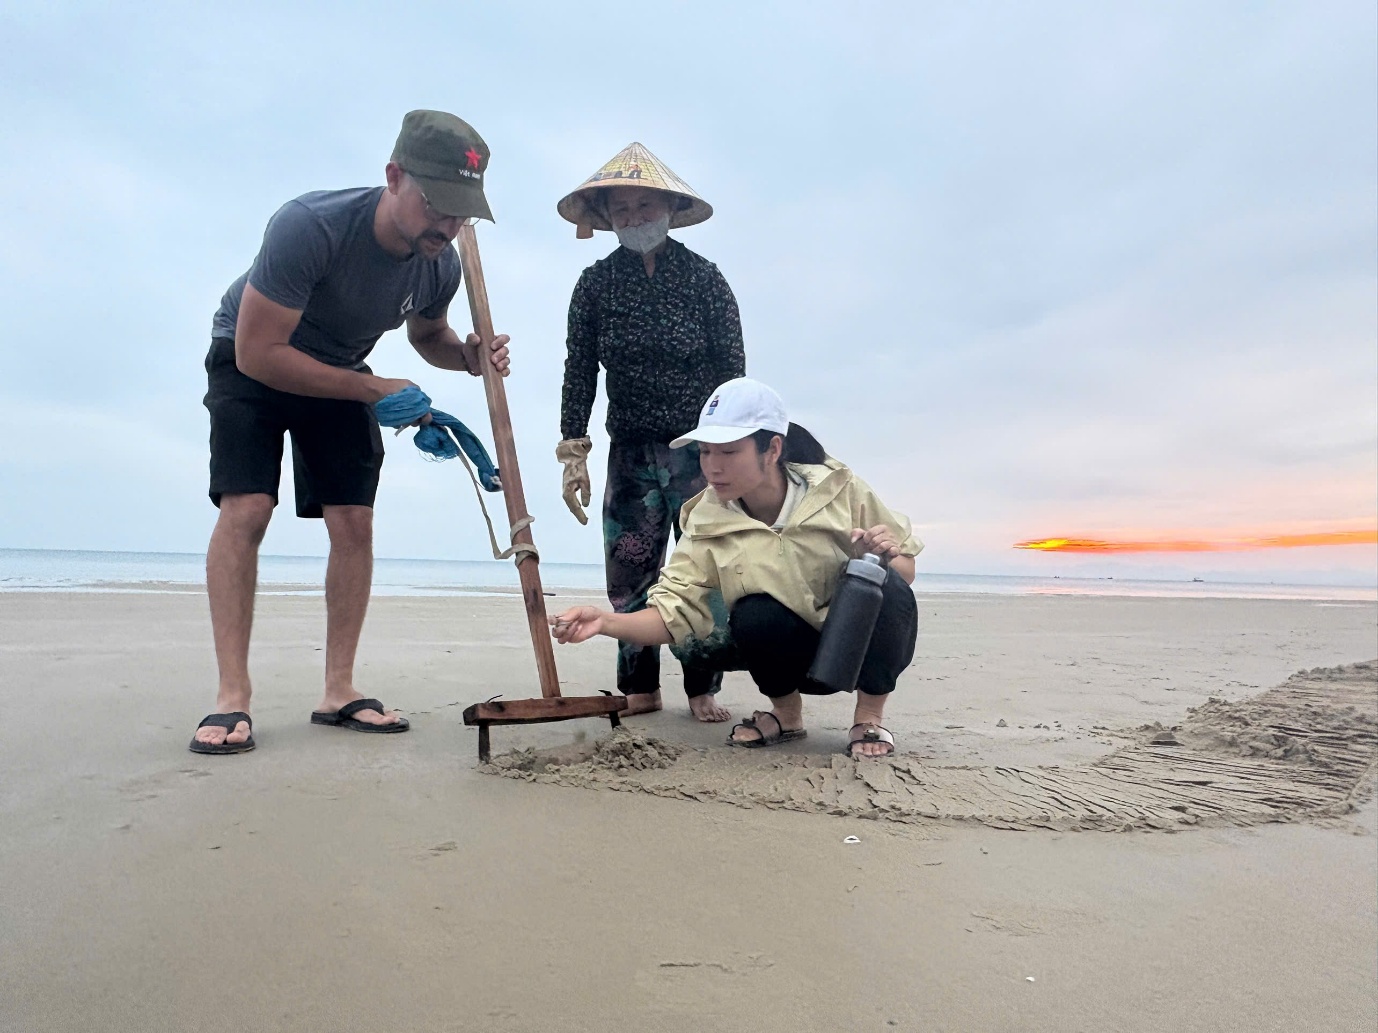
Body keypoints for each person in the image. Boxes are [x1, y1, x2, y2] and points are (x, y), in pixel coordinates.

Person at [190, 110, 511, 755]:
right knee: (248, 507)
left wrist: (468, 356)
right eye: (436, 205)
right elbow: (259, 353)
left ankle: (338, 690)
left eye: (461, 213)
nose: (447, 226)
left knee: (354, 522)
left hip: (339, 367)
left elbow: (427, 336)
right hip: (251, 358)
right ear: (394, 177)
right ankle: (232, 698)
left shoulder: (437, 264)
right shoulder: (310, 226)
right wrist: (370, 388)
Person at [550, 378, 921, 757]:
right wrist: (604, 622)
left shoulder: (838, 487)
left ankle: (869, 719)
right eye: (705, 452)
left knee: (889, 586)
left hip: (852, 648)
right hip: (788, 657)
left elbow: (905, 569)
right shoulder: (707, 518)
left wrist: (873, 560)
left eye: (728, 452)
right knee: (753, 611)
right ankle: (786, 714)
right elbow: (673, 612)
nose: (713, 467)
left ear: (772, 448)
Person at [554, 143, 747, 725]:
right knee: (630, 568)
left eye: (644, 205)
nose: (634, 217)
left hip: (699, 453)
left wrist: (733, 450)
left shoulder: (704, 279)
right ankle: (638, 685)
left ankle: (701, 687)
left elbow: (732, 368)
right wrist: (574, 449)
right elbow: (579, 369)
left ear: (667, 207)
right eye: (622, 209)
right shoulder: (594, 286)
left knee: (702, 566)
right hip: (629, 450)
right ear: (606, 219)